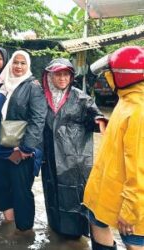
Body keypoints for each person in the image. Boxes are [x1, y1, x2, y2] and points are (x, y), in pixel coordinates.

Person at [84, 46, 144, 250]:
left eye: (110, 73)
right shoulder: (127, 100)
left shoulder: (138, 111)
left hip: (129, 201)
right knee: (97, 222)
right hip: (109, 192)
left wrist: (131, 210)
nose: (108, 78)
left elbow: (139, 168)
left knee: (133, 242)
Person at [40, 58, 106, 238]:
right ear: (50, 76)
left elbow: (96, 116)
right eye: (58, 74)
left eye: (65, 74)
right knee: (52, 192)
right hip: (50, 157)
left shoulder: (81, 97)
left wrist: (99, 120)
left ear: (71, 77)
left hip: (75, 159)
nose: (62, 78)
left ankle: (75, 235)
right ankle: (55, 229)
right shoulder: (42, 97)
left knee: (75, 196)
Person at [0, 50, 47, 232]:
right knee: (0, 185)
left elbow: (38, 119)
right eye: (16, 62)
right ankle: (9, 224)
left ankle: (24, 232)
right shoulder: (2, 85)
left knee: (21, 191)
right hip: (0, 147)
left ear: (28, 65)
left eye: (23, 63)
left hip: (21, 150)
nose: (18, 66)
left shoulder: (33, 87)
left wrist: (26, 148)